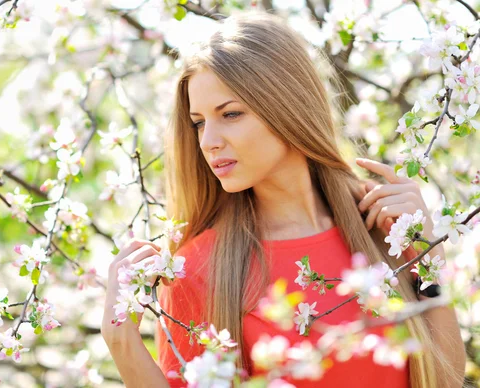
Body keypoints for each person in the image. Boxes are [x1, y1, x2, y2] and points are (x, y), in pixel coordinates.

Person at [100, 11, 466, 388]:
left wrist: (430, 261)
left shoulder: (385, 226)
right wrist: (121, 342)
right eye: (199, 122)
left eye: (230, 114)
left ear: (287, 105)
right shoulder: (195, 271)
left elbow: (444, 382)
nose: (209, 140)